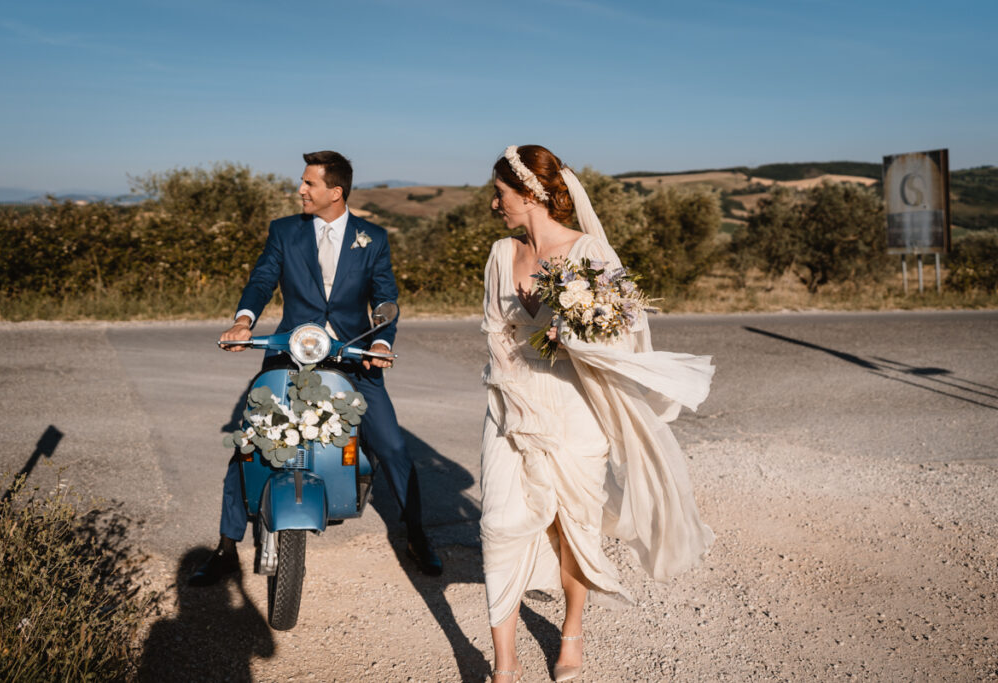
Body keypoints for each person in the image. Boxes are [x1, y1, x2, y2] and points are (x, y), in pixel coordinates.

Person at [479, 145, 715, 682]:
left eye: (501, 194)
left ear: (532, 194)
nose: (495, 205)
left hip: (573, 407)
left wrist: (578, 338)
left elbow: (624, 334)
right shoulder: (500, 254)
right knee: (500, 523)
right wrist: (511, 392)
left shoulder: (591, 253)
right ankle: (504, 662)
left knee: (573, 525)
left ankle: (572, 632)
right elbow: (494, 330)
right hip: (508, 407)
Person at [189, 150, 442, 586]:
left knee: (393, 447)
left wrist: (380, 342)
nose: (300, 190)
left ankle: (416, 535)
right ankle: (226, 547)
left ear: (335, 192)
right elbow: (262, 278)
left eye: (309, 183)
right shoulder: (285, 230)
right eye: (303, 182)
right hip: (291, 348)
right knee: (248, 442)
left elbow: (385, 295)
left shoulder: (372, 237)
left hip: (353, 352)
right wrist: (243, 321)